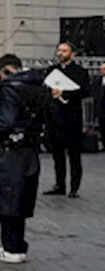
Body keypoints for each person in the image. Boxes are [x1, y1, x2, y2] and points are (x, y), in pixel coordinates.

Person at [0, 54, 48, 263]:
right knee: (22, 198)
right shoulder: (39, 87)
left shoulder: (11, 88)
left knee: (8, 198)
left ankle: (10, 247)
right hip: (31, 148)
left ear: (6, 71)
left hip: (11, 149)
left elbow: (6, 122)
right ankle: (18, 245)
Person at [44, 42, 89, 198]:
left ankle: (74, 186)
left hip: (72, 118)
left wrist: (65, 93)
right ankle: (59, 184)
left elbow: (84, 92)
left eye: (64, 51)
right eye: (59, 51)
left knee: (74, 154)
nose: (61, 53)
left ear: (72, 54)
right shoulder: (52, 70)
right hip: (54, 117)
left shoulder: (80, 72)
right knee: (57, 154)